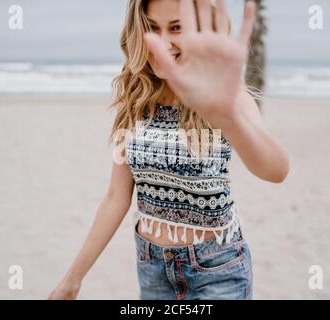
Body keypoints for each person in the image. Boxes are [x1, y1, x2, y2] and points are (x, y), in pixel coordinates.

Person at [49, 0, 289, 300]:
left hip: (217, 270)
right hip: (152, 269)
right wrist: (73, 278)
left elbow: (276, 170)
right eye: (152, 28)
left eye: (176, 28)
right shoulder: (135, 101)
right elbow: (116, 197)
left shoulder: (226, 96)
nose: (163, 43)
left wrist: (230, 118)